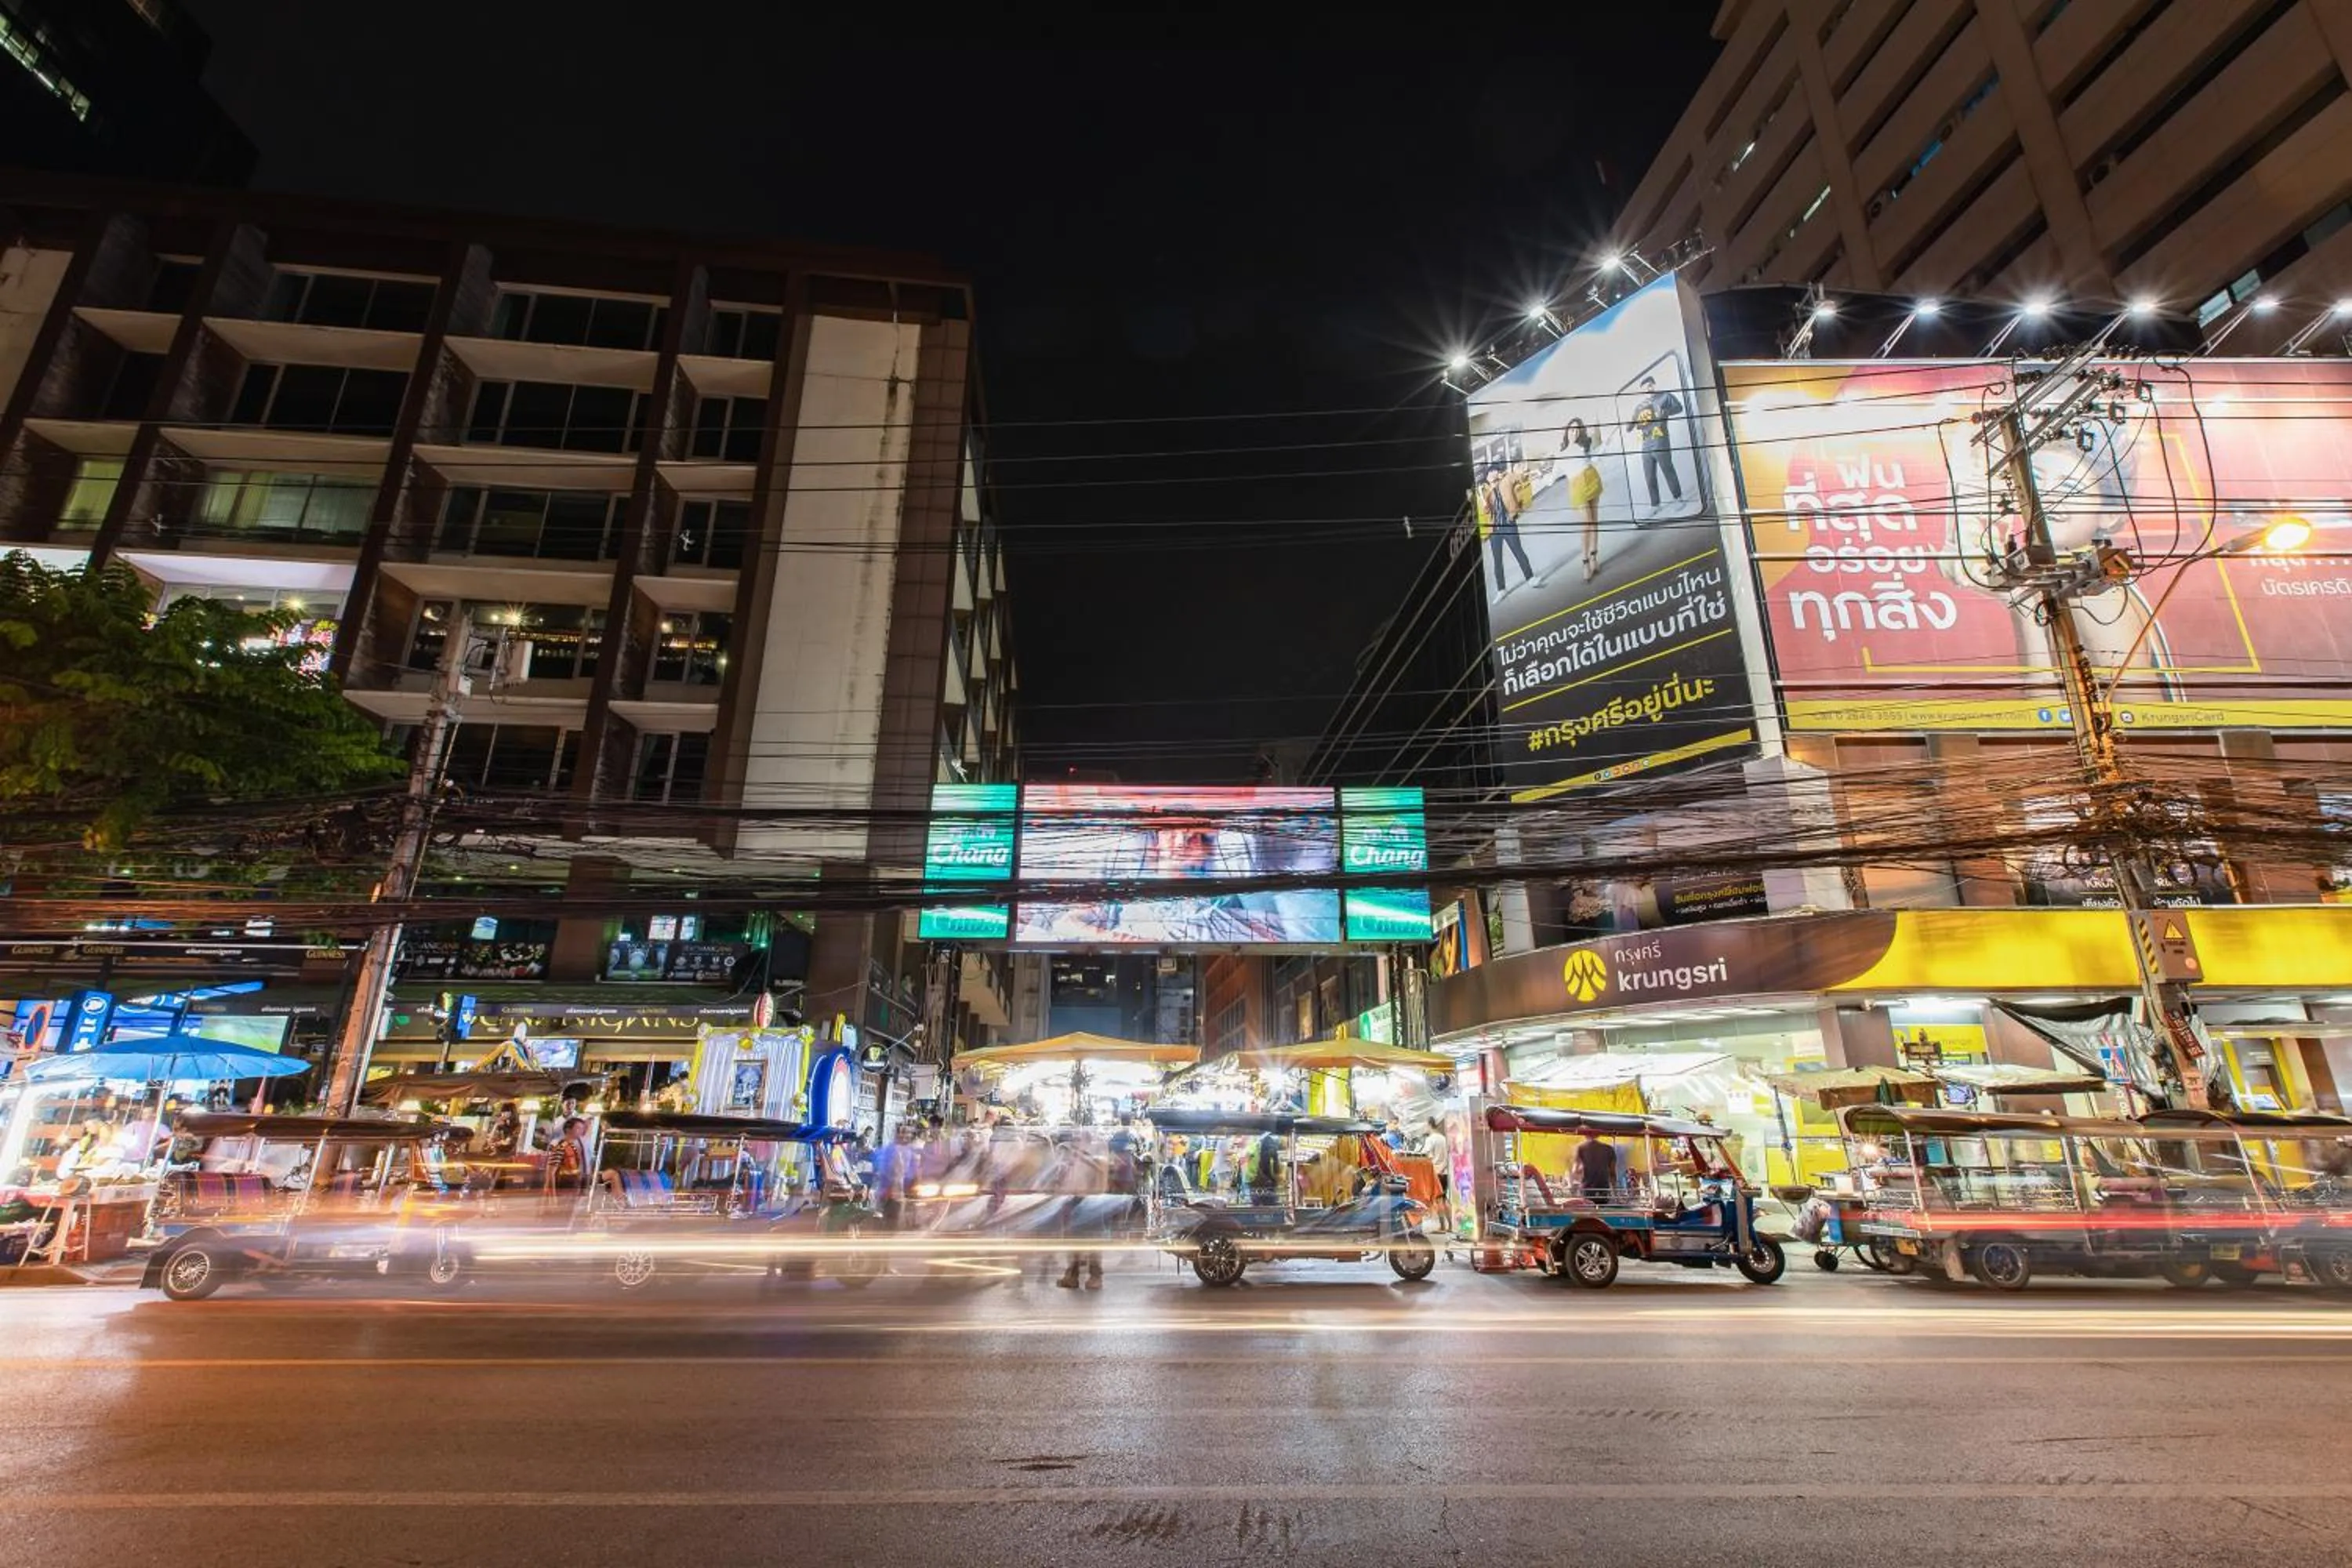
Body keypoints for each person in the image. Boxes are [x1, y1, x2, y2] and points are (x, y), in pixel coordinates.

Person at [1625, 375, 1684, 509]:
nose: (1648, 389)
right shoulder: (1639, 407)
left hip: (1660, 440)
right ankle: (1655, 505)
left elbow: (1679, 408)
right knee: (1649, 476)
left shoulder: (1665, 397)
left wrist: (1665, 412)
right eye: (1645, 388)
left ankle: (1678, 498)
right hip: (1646, 443)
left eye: (1650, 386)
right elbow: (1630, 426)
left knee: (1667, 469)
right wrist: (1629, 425)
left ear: (1654, 385)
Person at [1477, 466, 1536, 592]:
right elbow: (1486, 510)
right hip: (1494, 531)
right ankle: (1501, 590)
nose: (1494, 473)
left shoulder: (1506, 481)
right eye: (1491, 472)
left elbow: (1518, 477)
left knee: (1518, 552)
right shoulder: (1486, 492)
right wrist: (1483, 498)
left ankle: (1531, 578)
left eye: (1495, 471)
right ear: (1487, 476)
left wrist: (1525, 473)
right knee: (1497, 560)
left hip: (1509, 524)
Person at [1417, 1120, 1453, 1230]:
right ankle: (1451, 1225)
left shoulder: (1431, 1139)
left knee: (1438, 1200)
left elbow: (1424, 1155)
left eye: (1425, 1126)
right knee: (1444, 1199)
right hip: (1445, 1173)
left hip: (1436, 1172)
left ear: (1429, 1125)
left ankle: (1442, 1226)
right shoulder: (1443, 1138)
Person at [1573, 1129, 1619, 1202]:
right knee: (1602, 1207)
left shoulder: (1581, 1148)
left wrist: (1583, 1170)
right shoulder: (1609, 1149)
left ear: (1586, 1135)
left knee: (1588, 1208)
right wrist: (1615, 1194)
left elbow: (1575, 1171)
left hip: (1587, 1189)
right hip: (1603, 1189)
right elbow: (1613, 1174)